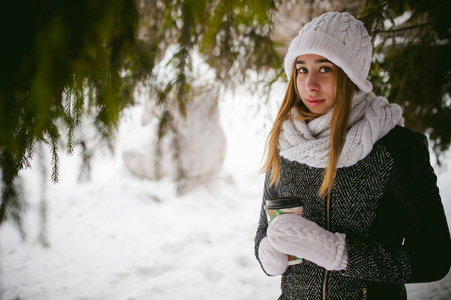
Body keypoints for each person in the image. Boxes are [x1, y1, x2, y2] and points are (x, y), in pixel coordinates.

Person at [254, 11, 451, 300]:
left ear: (351, 74)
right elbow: (264, 227)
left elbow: (434, 259)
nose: (310, 84)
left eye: (325, 69)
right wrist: (268, 252)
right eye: (302, 69)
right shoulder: (286, 144)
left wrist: (338, 253)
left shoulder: (395, 149)